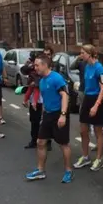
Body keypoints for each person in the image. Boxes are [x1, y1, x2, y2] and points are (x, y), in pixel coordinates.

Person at [25, 55, 74, 183]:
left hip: (59, 114)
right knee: (40, 142)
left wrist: (63, 115)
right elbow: (46, 100)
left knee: (63, 144)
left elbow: (65, 96)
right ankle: (40, 171)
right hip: (47, 114)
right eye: (34, 65)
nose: (35, 68)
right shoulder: (41, 81)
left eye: (37, 65)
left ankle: (68, 171)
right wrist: (43, 116)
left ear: (45, 65)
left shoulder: (56, 78)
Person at [73, 45, 103, 171]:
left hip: (96, 99)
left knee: (98, 131)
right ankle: (85, 156)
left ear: (90, 54)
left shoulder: (99, 68)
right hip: (87, 98)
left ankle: (98, 159)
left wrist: (96, 105)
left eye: (82, 53)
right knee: (83, 130)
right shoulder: (86, 66)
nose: (80, 56)